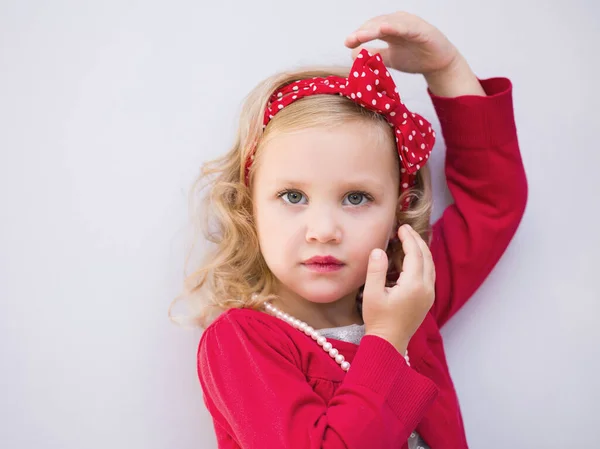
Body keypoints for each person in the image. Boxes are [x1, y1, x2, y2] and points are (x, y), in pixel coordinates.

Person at [175, 10, 528, 449]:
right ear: (249, 207)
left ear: (399, 212)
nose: (323, 231)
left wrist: (446, 69)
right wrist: (386, 338)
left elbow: (493, 203)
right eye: (292, 196)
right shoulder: (242, 341)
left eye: (356, 198)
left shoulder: (412, 294)